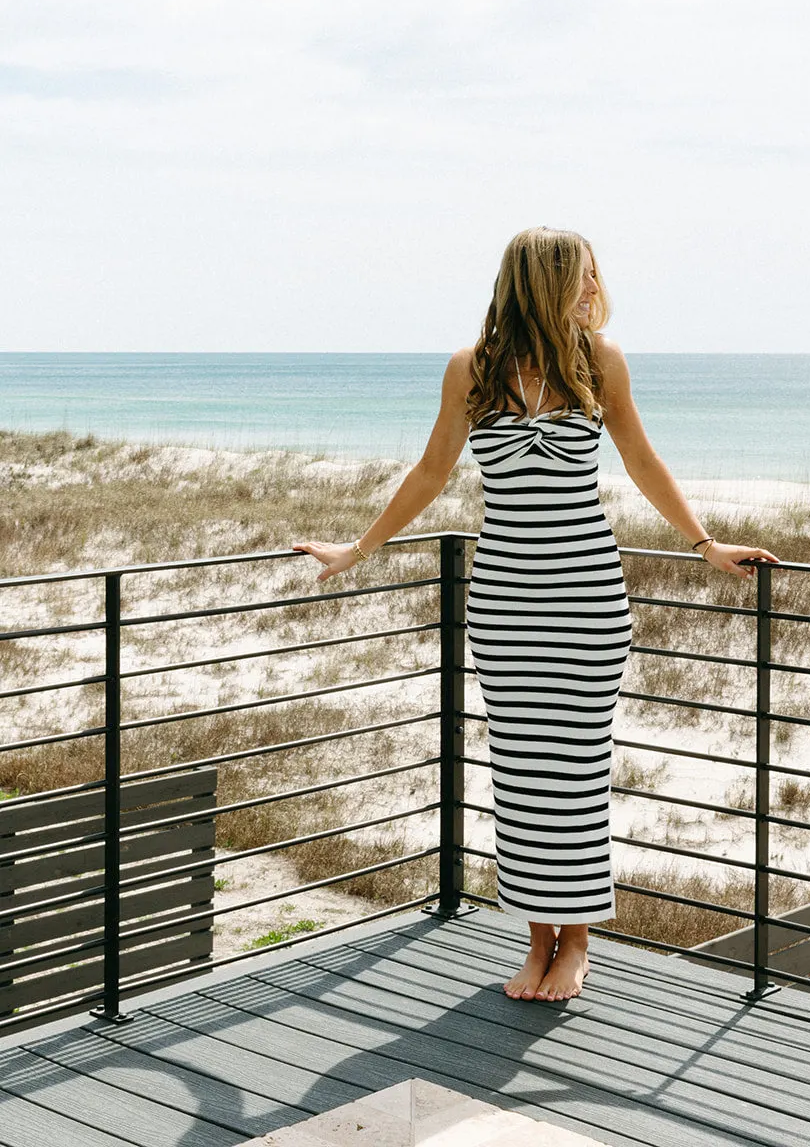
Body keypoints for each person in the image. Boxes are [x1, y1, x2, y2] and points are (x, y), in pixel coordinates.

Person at [294, 227, 777, 1002]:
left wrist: (705, 544)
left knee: (577, 769)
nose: (592, 289)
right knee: (520, 774)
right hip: (506, 598)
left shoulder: (601, 362)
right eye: (580, 277)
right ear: (542, 283)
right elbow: (430, 472)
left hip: (584, 593)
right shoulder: (472, 370)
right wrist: (357, 550)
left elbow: (642, 461)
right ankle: (535, 938)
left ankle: (577, 942)